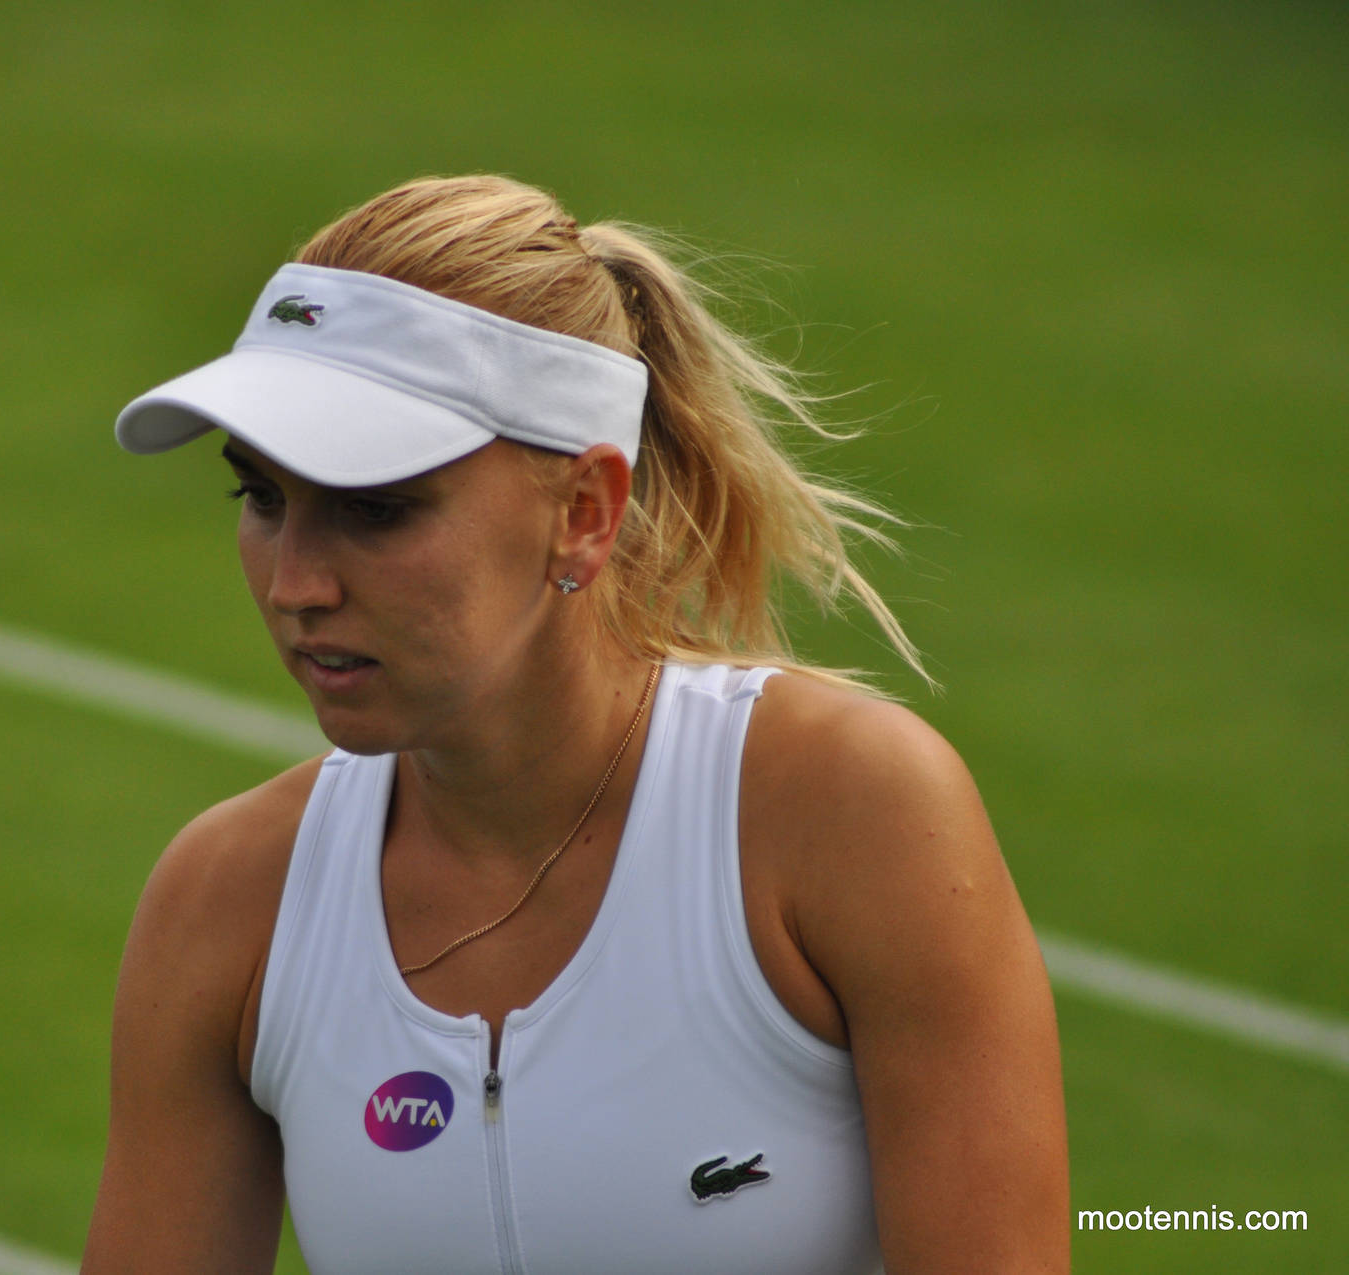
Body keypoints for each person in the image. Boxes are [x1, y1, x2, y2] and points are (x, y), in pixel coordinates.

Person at [83, 175, 1068, 1273]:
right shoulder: (228, 899)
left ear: (584, 514)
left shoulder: (851, 811)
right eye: (260, 498)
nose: (296, 584)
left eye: (375, 509)